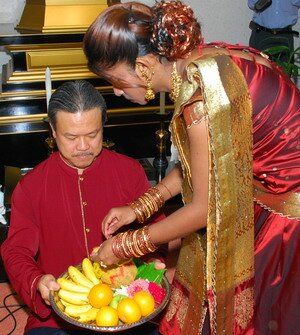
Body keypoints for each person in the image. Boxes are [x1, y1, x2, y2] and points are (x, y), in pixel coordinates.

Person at [83, 1, 300, 334]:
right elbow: (203, 163)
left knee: (254, 315)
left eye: (116, 80)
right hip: (265, 186)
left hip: (287, 206)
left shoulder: (200, 100)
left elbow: (202, 210)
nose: (115, 91)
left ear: (142, 66)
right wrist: (142, 206)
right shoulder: (199, 63)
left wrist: (127, 245)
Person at [0, 80, 166, 335]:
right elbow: (16, 251)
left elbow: (159, 228)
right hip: (62, 312)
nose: (83, 147)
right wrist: (38, 281)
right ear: (53, 132)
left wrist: (157, 260)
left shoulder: (130, 171)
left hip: (127, 303)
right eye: (71, 137)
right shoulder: (31, 186)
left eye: (92, 134)